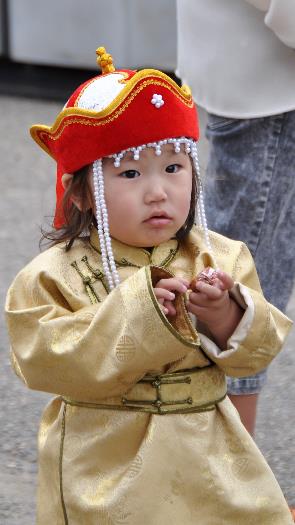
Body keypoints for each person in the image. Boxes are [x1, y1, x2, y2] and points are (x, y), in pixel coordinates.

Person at [5, 46, 294, 524]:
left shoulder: (218, 256)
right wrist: (140, 314)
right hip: (109, 459)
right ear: (82, 193)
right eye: (132, 172)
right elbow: (42, 359)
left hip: (213, 454)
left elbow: (256, 353)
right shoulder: (52, 275)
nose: (158, 191)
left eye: (174, 168)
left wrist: (224, 314)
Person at [176, 0, 295, 435]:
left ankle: (225, 483)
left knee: (243, 285)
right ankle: (227, 491)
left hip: (262, 73)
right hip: (269, 81)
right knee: (243, 294)